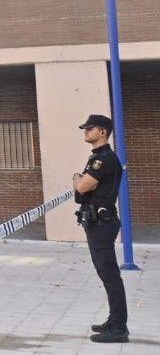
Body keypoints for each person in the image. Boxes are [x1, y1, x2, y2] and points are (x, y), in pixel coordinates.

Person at [73, 114, 129, 343]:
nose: (86, 131)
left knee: (110, 274)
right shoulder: (98, 157)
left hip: (102, 224)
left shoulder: (103, 159)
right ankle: (114, 321)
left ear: (103, 131)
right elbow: (80, 194)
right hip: (96, 223)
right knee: (106, 273)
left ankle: (118, 328)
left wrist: (77, 178)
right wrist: (80, 183)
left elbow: (83, 186)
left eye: (90, 128)